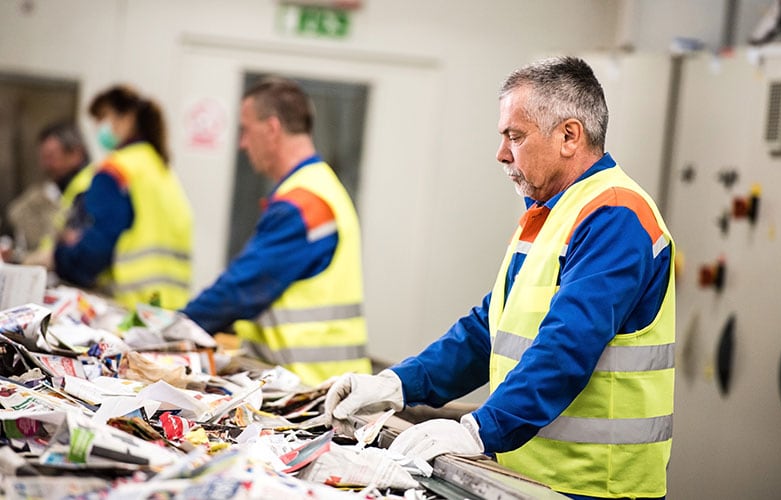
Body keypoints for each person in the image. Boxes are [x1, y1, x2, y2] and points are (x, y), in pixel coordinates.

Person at [325, 57, 675, 500]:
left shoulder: (615, 215)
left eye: (516, 136)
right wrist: (397, 384)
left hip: (593, 487)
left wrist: (478, 430)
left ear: (569, 136)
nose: (502, 153)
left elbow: (567, 348)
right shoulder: (549, 213)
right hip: (529, 479)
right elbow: (488, 327)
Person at [181, 77, 371, 387]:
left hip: (310, 391)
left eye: (246, 130)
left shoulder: (304, 202)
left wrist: (174, 329)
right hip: (325, 385)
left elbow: (241, 289)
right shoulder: (320, 187)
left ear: (271, 128)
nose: (242, 143)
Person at [54, 85, 193, 311]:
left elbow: (97, 246)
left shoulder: (117, 169)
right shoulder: (162, 170)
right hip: (165, 311)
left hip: (125, 310)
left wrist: (59, 258)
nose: (99, 127)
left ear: (127, 117)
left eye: (103, 117)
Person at [18, 121, 95, 268]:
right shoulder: (70, 190)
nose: (45, 165)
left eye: (51, 156)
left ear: (76, 153)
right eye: (43, 157)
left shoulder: (89, 189)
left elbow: (78, 242)